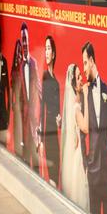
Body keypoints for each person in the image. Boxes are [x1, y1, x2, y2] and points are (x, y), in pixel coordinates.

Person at [81, 41, 107, 214]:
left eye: (85, 63)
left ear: (92, 60)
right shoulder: (84, 92)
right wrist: (85, 164)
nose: (83, 68)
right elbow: (81, 133)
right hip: (92, 170)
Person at [60, 63, 90, 210]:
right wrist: (85, 95)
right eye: (78, 77)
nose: (81, 79)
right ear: (72, 83)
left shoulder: (76, 103)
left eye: (80, 76)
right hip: (79, 156)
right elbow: (85, 127)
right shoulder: (76, 107)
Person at [12, 23, 39, 168]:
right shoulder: (20, 66)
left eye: (25, 40)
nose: (24, 43)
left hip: (34, 114)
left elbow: (39, 90)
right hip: (24, 114)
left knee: (35, 148)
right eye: (22, 41)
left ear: (29, 40)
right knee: (26, 148)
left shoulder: (34, 64)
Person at [38, 35, 61, 185]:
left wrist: (60, 120)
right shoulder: (45, 76)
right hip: (48, 132)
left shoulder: (56, 81)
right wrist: (40, 138)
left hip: (55, 131)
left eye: (48, 49)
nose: (46, 52)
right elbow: (41, 108)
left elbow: (58, 109)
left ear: (53, 53)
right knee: (52, 169)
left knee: (56, 168)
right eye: (45, 48)